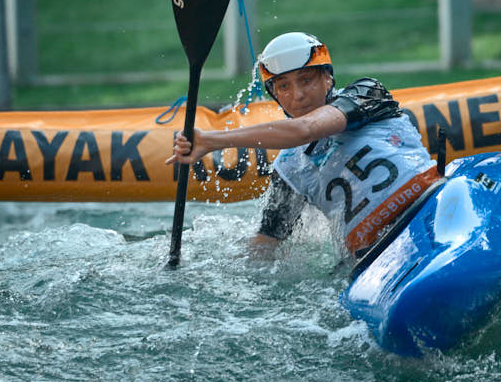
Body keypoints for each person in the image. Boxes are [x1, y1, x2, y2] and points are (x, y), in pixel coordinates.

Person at [166, 32, 441, 259]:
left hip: (431, 208)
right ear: (275, 96)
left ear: (328, 78)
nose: (297, 95)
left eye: (306, 80)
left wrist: (212, 140)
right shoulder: (290, 167)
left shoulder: (366, 94)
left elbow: (305, 129)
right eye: (283, 87)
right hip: (374, 257)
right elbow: (265, 245)